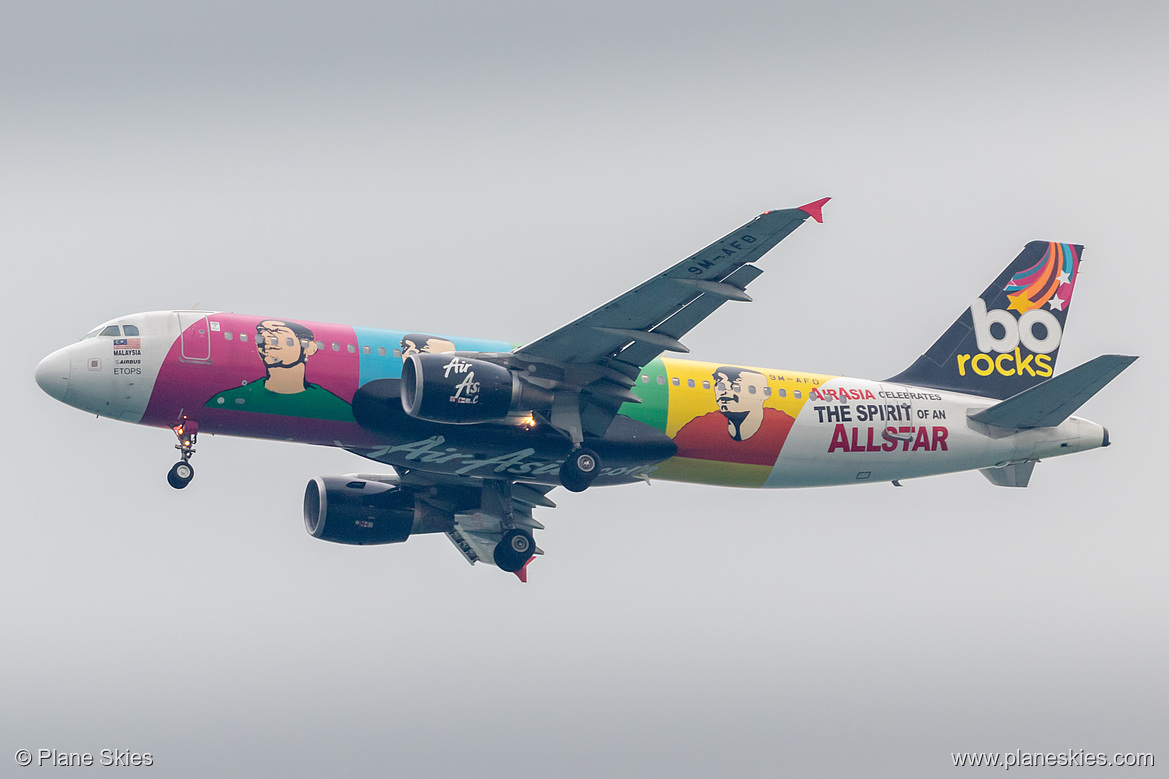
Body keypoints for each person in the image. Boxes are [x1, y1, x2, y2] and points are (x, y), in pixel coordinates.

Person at [206, 319, 354, 421]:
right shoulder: (221, 398)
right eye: (260, 338)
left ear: (310, 347)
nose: (266, 342)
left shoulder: (336, 404)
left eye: (276, 334)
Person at [671, 366, 795, 466]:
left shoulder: (790, 429)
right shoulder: (696, 427)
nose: (724, 391)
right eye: (720, 385)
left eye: (734, 386)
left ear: (764, 394)